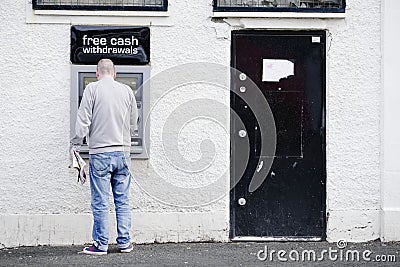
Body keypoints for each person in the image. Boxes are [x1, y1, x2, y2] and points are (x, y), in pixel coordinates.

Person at [70, 59, 138, 255]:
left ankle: (100, 244)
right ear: (114, 73)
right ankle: (125, 243)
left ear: (97, 73)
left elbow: (83, 120)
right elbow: (134, 121)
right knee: (122, 199)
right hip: (123, 154)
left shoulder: (92, 89)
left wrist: (76, 143)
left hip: (100, 153)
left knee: (100, 200)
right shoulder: (126, 90)